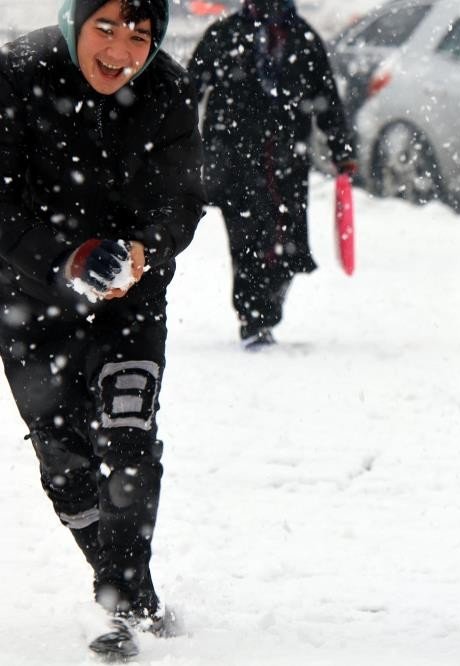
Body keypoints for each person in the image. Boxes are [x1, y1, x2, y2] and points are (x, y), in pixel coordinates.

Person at [0, 0, 205, 659]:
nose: (121, 50)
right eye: (106, 28)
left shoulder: (167, 88)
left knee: (127, 434)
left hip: (129, 304)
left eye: (140, 35)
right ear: (75, 22)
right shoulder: (18, 74)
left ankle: (116, 601)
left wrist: (148, 249)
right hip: (30, 302)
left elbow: (181, 198)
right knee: (64, 464)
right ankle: (129, 583)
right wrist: (66, 256)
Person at [187, 0, 355, 349]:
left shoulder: (301, 37)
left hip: (286, 163)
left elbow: (325, 97)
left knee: (287, 241)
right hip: (235, 159)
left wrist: (341, 149)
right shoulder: (225, 34)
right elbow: (189, 90)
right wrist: (175, 143)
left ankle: (268, 306)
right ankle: (253, 317)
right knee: (246, 239)